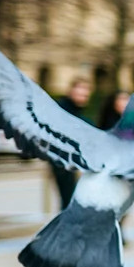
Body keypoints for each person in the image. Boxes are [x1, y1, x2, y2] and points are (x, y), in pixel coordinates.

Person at [51, 77, 93, 209]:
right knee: (69, 199)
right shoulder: (63, 109)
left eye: (85, 95)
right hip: (63, 161)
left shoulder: (76, 111)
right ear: (71, 91)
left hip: (69, 160)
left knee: (71, 199)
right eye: (80, 93)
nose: (83, 97)